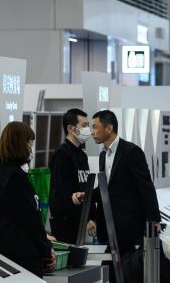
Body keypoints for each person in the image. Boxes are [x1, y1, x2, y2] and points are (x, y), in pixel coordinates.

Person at [0, 121, 55, 277]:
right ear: (19, 144)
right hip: (21, 258)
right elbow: (29, 219)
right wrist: (46, 248)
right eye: (30, 143)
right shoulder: (14, 178)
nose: (31, 148)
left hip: (5, 255)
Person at [92, 109, 161, 257]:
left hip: (128, 226)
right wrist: (86, 196)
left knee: (126, 270)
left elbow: (146, 187)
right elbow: (106, 188)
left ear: (109, 128)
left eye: (95, 127)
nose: (92, 132)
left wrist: (155, 220)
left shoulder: (131, 151)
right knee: (112, 269)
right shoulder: (103, 155)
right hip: (110, 226)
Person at [48, 108, 99, 244]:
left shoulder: (82, 155)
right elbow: (63, 193)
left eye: (88, 125)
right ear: (71, 128)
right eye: (84, 125)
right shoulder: (61, 155)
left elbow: (87, 188)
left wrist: (92, 216)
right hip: (65, 222)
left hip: (81, 220)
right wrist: (84, 219)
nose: (87, 129)